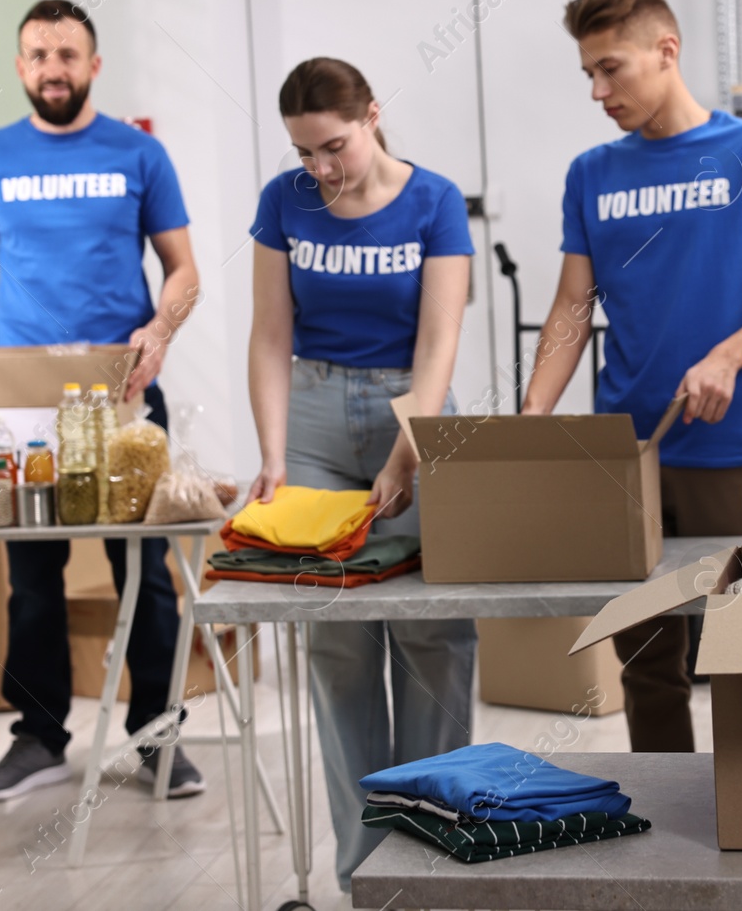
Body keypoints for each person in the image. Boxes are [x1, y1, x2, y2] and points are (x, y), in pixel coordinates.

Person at [521, 0, 742, 753]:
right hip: (631, 454)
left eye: (610, 67)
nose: (596, 89)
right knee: (647, 660)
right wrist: (529, 425)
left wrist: (728, 353)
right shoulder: (591, 173)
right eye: (587, 72)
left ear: (667, 49)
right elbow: (572, 308)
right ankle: (669, 834)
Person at [0, 0, 203, 801]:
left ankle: (157, 738)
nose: (53, 68)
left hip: (121, 395)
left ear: (94, 66)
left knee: (146, 575)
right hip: (21, 402)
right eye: (39, 54)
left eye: (68, 54)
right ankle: (38, 737)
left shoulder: (138, 152)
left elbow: (183, 269)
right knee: (32, 576)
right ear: (21, 68)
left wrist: (159, 331)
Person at [245, 57, 476, 892]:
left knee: (430, 629)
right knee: (336, 639)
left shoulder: (434, 201)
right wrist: (273, 453)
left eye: (334, 146)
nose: (322, 169)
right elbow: (271, 333)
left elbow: (438, 345)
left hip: (408, 411)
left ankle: (435, 855)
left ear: (372, 115)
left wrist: (406, 451)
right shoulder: (285, 203)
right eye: (305, 153)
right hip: (309, 413)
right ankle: (367, 869)